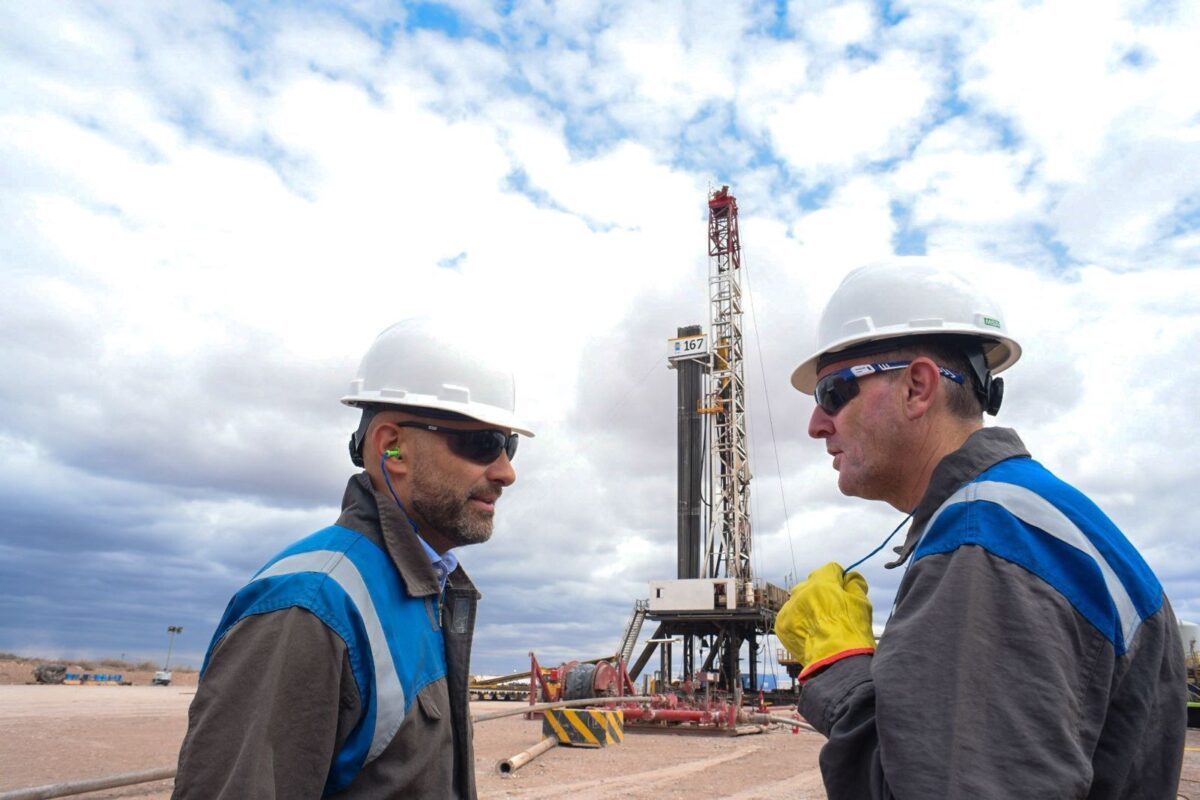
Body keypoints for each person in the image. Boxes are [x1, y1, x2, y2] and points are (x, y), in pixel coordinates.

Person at [775, 262, 1186, 798]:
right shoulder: (1042, 516)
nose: (815, 425)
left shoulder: (985, 543)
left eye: (832, 392)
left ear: (917, 388)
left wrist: (839, 666)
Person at [173, 318, 533, 798]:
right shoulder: (308, 608)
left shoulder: (426, 592)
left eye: (508, 446)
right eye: (484, 444)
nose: (506, 472)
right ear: (392, 447)